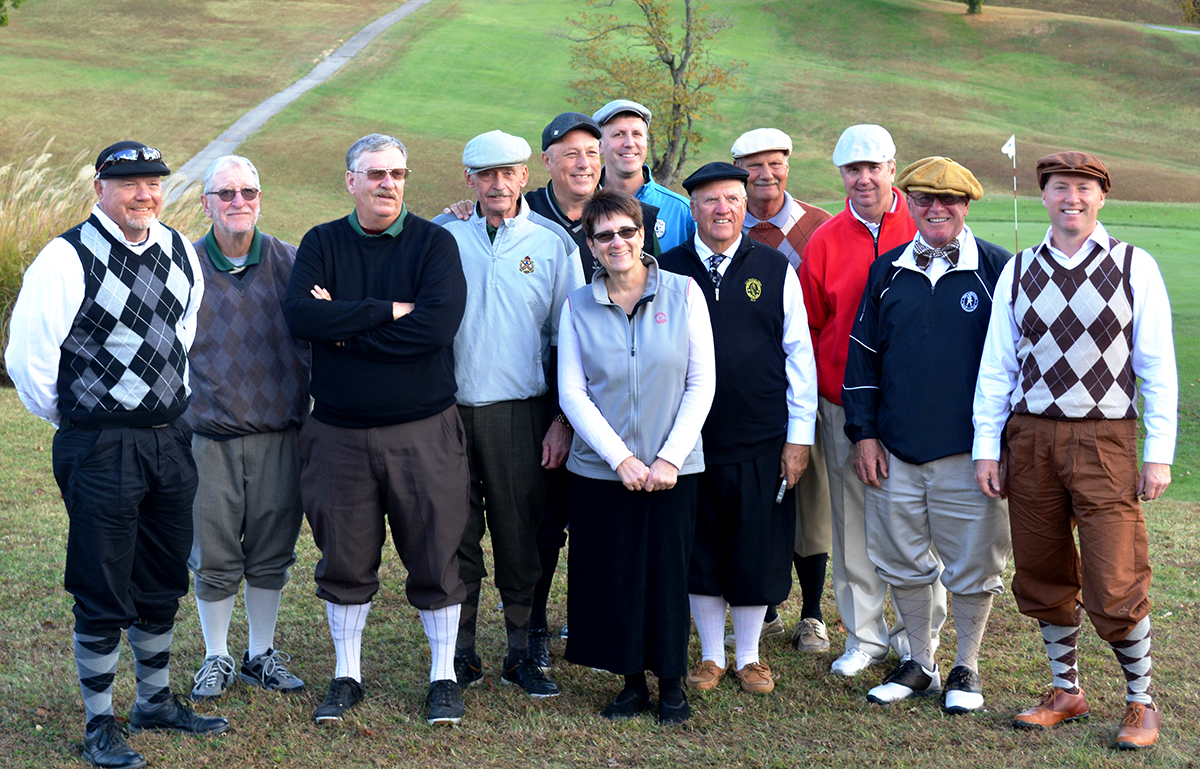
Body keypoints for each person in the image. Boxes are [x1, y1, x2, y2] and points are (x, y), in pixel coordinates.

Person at [6, 140, 227, 769]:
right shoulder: (65, 256)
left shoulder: (181, 249)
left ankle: (153, 701)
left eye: (153, 183)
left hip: (170, 438)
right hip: (100, 445)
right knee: (103, 579)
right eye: (129, 183)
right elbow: (29, 359)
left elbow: (181, 335)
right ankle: (100, 723)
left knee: (160, 574)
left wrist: (157, 410)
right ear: (100, 187)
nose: (144, 195)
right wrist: (81, 417)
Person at [973, 151, 1177, 749]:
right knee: (1041, 569)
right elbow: (996, 368)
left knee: (1115, 577)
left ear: (1102, 198)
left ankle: (1141, 702)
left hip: (1104, 439)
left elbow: (1158, 368)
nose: (1073, 199)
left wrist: (1157, 451)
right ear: (1045, 196)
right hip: (1030, 436)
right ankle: (1066, 690)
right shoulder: (1018, 271)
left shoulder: (1134, 268)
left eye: (1084, 189)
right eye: (1061, 188)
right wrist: (988, 447)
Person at [284, 133, 471, 727]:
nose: (388, 183)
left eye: (397, 173)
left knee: (436, 552)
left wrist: (342, 326)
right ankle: (347, 676)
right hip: (337, 434)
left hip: (424, 430)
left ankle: (443, 677)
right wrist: (385, 310)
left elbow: (435, 329)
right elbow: (301, 316)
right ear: (350, 181)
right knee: (344, 554)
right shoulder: (321, 242)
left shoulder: (433, 244)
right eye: (375, 174)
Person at [842, 157, 1011, 713]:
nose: (936, 209)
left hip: (970, 455)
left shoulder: (997, 270)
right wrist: (864, 435)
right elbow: (863, 357)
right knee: (903, 560)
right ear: (909, 203)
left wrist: (1002, 445)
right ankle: (920, 662)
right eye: (924, 200)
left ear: (967, 206)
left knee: (973, 565)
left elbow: (1015, 366)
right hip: (895, 452)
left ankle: (966, 666)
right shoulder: (888, 268)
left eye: (950, 201)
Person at [431, 131, 584, 696]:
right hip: (448, 412)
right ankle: (462, 651)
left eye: (508, 173)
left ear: (525, 176)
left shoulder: (552, 243)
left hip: (520, 411)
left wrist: (562, 420)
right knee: (457, 531)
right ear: (468, 179)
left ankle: (520, 652)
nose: (497, 184)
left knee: (520, 533)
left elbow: (570, 338)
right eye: (485, 174)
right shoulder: (442, 235)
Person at [658, 162, 817, 696]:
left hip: (762, 439)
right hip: (690, 441)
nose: (721, 209)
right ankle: (710, 656)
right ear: (695, 209)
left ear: (744, 204)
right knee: (701, 549)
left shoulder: (774, 269)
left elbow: (800, 358)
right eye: (709, 201)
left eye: (731, 198)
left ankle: (749, 657)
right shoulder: (669, 269)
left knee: (754, 548)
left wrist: (799, 438)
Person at [559, 188, 715, 723]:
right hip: (602, 472)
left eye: (627, 230)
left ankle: (671, 682)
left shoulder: (685, 292)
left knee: (668, 574)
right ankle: (630, 681)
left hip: (675, 468)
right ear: (592, 245)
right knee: (616, 574)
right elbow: (572, 392)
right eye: (605, 235)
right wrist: (619, 458)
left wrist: (669, 457)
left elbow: (702, 382)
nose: (617, 242)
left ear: (642, 234)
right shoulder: (578, 304)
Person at [798, 124, 947, 678]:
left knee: (915, 525)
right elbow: (812, 328)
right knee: (852, 524)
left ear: (892, 169)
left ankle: (918, 638)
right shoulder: (827, 239)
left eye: (874, 168)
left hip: (913, 405)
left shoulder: (926, 226)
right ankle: (865, 637)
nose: (863, 179)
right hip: (842, 405)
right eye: (852, 170)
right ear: (841, 175)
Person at [187, 155, 310, 701]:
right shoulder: (182, 265)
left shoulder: (292, 262)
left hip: (280, 432)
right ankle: (216, 656)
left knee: (271, 551)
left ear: (261, 198)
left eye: (249, 192)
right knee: (212, 553)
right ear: (206, 202)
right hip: (207, 436)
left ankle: (260, 653)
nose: (238, 201)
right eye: (226, 193)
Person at [732, 127, 834, 653]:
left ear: (789, 165)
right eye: (753, 166)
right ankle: (765, 606)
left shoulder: (818, 225)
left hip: (805, 382)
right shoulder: (724, 224)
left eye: (774, 164)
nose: (765, 175)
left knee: (808, 499)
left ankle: (812, 613)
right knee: (757, 496)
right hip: (746, 392)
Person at [592, 98, 695, 251]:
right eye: (618, 134)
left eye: (637, 134)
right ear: (599, 145)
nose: (629, 143)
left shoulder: (682, 212)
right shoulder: (582, 205)